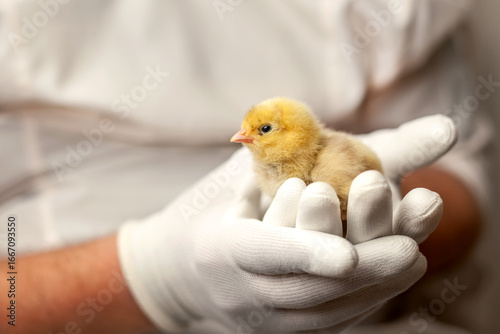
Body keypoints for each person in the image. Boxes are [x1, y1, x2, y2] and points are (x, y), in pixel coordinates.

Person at [0, 1, 490, 333]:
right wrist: (150, 272)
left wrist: (377, 247)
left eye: (259, 133)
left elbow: (462, 177)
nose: (242, 138)